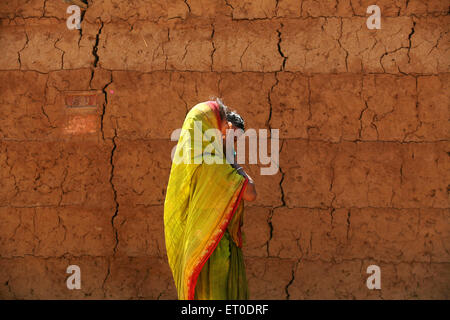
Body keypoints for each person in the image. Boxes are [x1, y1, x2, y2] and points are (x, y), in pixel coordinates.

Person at [164, 97, 257, 300]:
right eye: (223, 125)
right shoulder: (213, 165)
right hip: (212, 250)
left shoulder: (196, 161)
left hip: (197, 245)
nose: (226, 132)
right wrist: (234, 163)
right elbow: (250, 193)